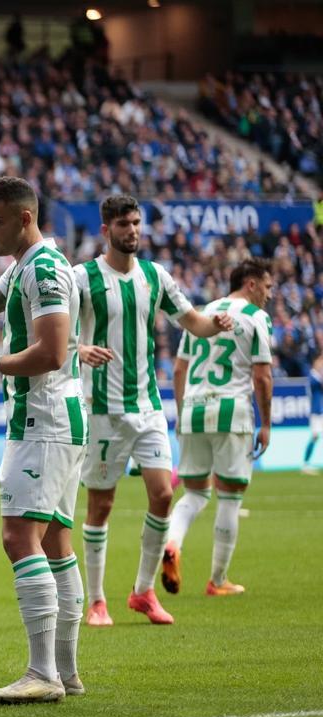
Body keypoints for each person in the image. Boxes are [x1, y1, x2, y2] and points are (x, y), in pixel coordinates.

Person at [0, 176, 86, 704]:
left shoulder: (46, 269)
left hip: (45, 420)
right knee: (54, 542)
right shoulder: (23, 268)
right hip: (47, 420)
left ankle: (43, 673)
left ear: (25, 218)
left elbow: (52, 351)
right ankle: (66, 672)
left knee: (18, 539)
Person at [73, 194, 233, 627]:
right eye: (124, 224)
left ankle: (143, 592)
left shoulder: (154, 276)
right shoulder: (82, 278)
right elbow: (53, 331)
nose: (133, 231)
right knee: (100, 506)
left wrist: (213, 325)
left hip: (147, 406)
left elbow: (193, 321)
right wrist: (80, 349)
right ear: (106, 230)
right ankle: (97, 601)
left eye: (137, 223)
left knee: (163, 494)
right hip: (103, 409)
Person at [163, 259, 275, 597]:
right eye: (267, 287)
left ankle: (171, 544)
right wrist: (266, 423)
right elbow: (262, 375)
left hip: (194, 411)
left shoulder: (201, 313)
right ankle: (218, 579)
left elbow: (179, 371)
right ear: (252, 284)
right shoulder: (256, 317)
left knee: (194, 493)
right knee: (229, 497)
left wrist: (183, 415)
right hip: (232, 412)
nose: (269, 295)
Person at [302, 355, 323, 475]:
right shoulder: (312, 377)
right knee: (315, 436)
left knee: (316, 436)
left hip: (320, 411)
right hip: (315, 412)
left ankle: (306, 463)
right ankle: (305, 463)